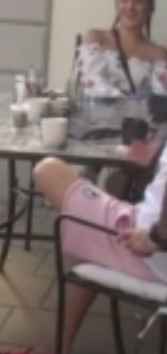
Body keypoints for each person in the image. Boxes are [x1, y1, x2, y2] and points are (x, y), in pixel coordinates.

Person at [34, 144, 167, 354]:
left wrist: (156, 238)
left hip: (151, 253)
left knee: (48, 170)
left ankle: (57, 348)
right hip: (149, 234)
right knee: (91, 241)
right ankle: (59, 346)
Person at [76, 0, 167, 100]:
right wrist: (128, 102)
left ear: (149, 9)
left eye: (138, 2)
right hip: (96, 111)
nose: (130, 7)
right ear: (117, 6)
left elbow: (161, 97)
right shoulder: (96, 38)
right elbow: (91, 83)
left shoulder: (158, 53)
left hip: (140, 113)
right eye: (125, 0)